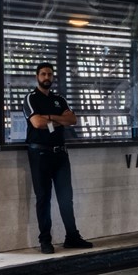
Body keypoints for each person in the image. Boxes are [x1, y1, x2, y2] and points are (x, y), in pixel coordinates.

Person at [25, 62, 92, 253]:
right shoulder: (31, 98)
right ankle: (45, 240)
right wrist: (56, 118)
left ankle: (72, 237)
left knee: (66, 197)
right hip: (39, 154)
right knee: (43, 198)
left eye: (50, 74)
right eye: (43, 74)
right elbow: (37, 123)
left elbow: (72, 119)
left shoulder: (59, 99)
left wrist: (51, 117)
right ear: (37, 76)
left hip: (60, 154)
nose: (47, 77)